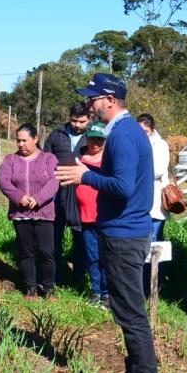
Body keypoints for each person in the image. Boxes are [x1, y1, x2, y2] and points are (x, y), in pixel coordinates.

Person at [55, 73, 159, 373]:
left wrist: (85, 176)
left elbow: (122, 186)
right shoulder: (124, 132)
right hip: (122, 231)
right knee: (126, 310)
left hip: (124, 235)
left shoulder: (124, 135)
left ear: (110, 101)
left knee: (131, 314)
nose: (89, 104)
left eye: (94, 98)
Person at [0, 124, 60, 298]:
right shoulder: (10, 160)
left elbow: (54, 182)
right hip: (21, 214)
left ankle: (48, 287)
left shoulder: (48, 159)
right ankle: (30, 287)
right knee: (26, 252)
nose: (20, 144)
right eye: (18, 140)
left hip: (44, 213)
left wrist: (38, 199)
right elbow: (4, 182)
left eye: (24, 140)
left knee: (46, 251)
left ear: (35, 139)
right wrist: (19, 197)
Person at [44, 103, 92, 283]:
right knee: (54, 234)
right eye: (74, 120)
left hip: (81, 191)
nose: (78, 125)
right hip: (57, 190)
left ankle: (79, 275)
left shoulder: (92, 137)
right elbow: (46, 159)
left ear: (89, 119)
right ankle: (55, 274)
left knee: (80, 235)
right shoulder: (57, 135)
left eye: (82, 121)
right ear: (69, 117)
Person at [74, 122, 109, 306]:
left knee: (105, 257)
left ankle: (107, 292)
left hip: (104, 216)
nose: (95, 143)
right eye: (92, 138)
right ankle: (96, 291)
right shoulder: (79, 158)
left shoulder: (108, 160)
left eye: (99, 139)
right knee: (92, 256)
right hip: (85, 216)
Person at [137, 114, 172, 241]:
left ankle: (156, 261)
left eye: (145, 131)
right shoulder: (134, 143)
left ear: (152, 130)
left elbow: (159, 170)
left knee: (154, 236)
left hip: (156, 193)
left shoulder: (161, 145)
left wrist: (135, 173)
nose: (142, 134)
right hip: (138, 195)